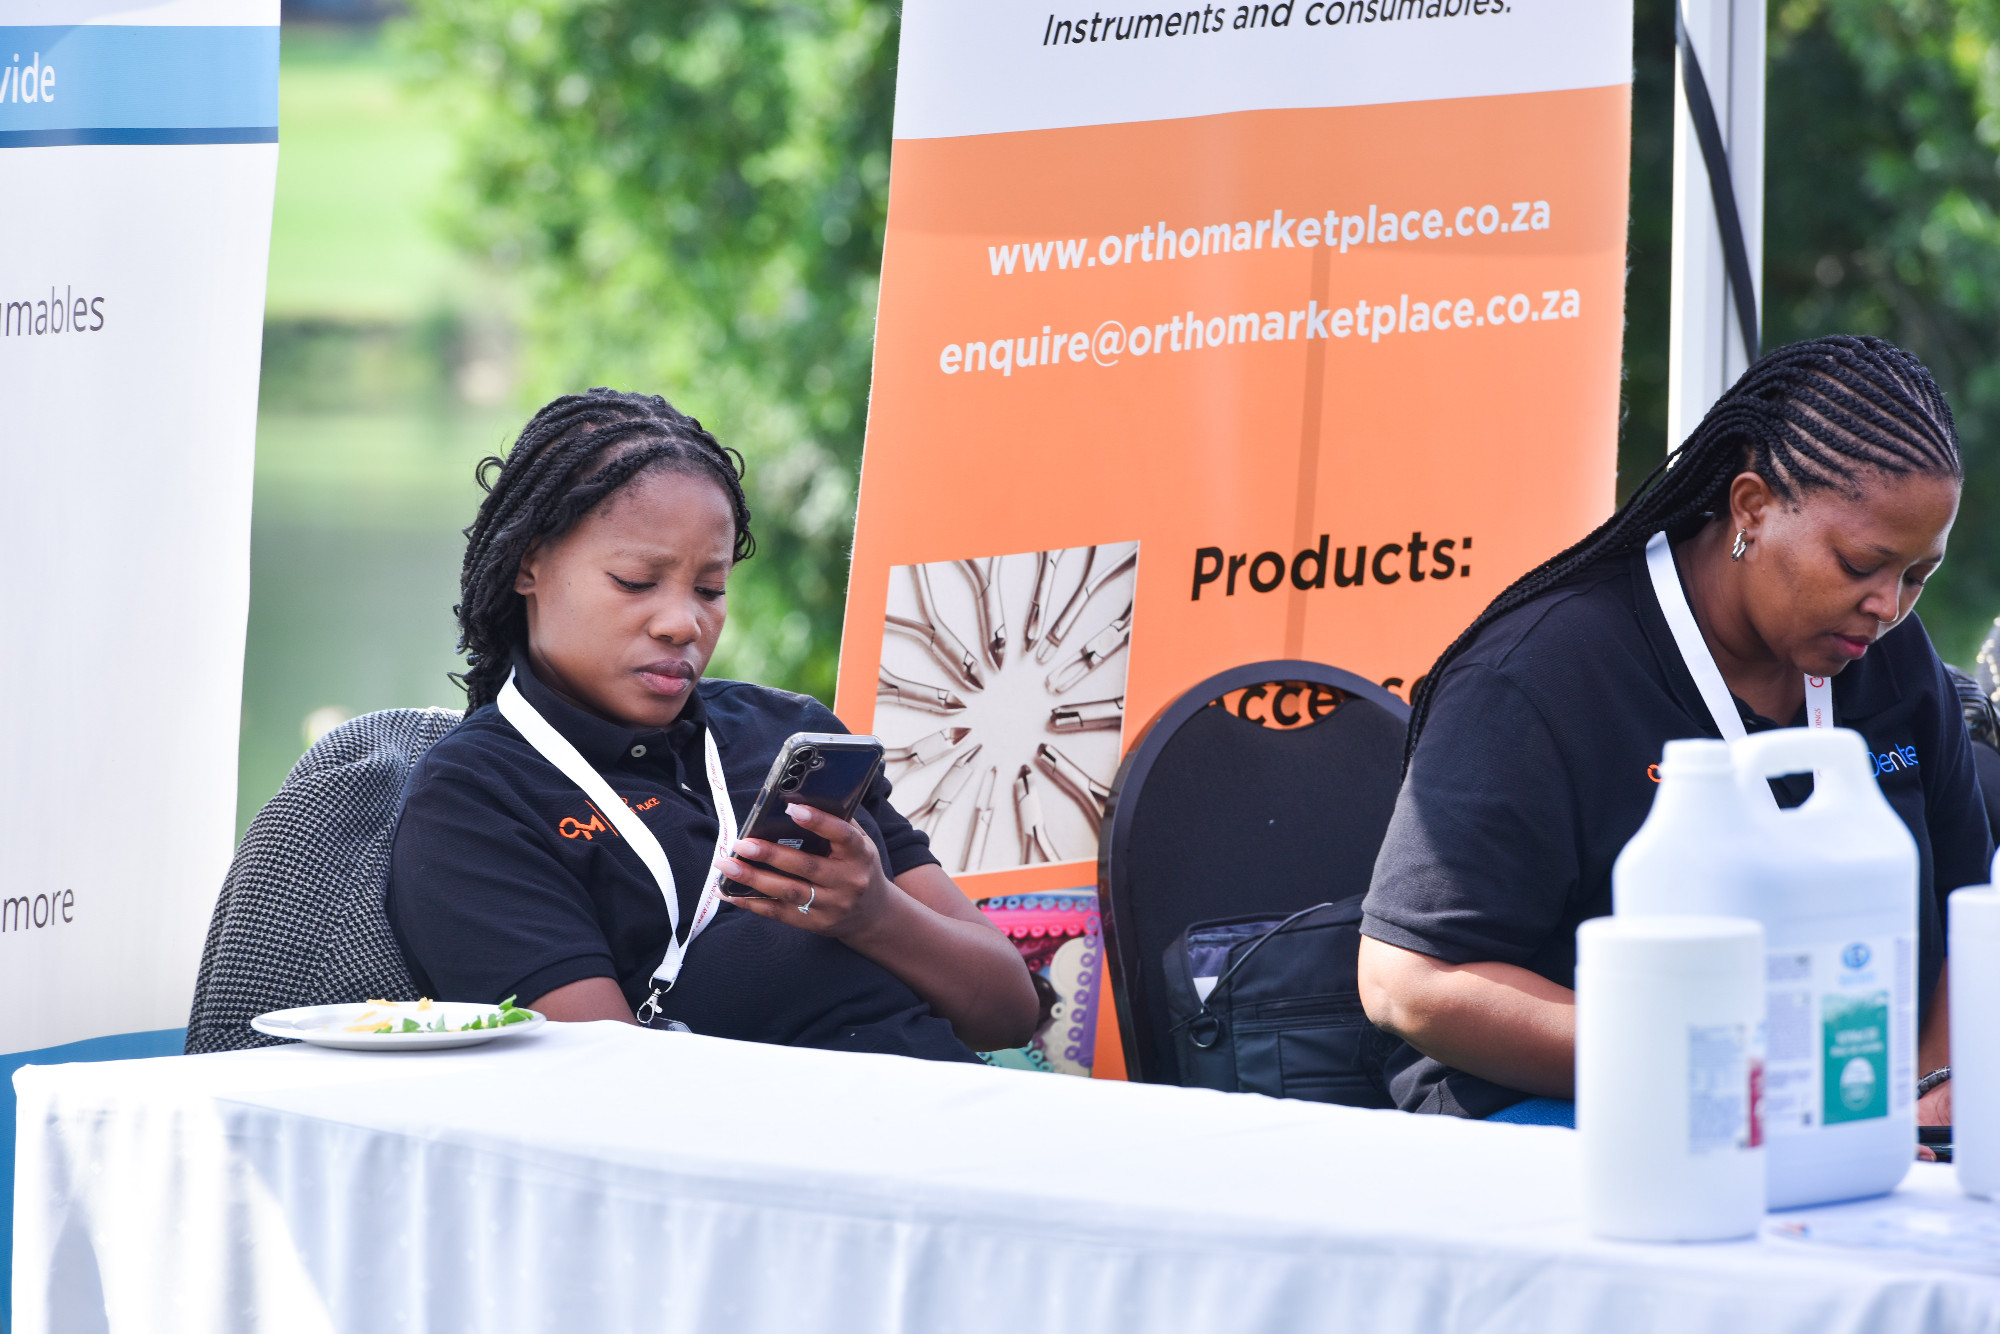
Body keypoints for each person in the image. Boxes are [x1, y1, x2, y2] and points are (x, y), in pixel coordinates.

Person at [1357, 335, 1992, 1126]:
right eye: (1861, 565)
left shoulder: (1894, 661)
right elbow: (1406, 982)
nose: (1888, 606)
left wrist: (1932, 1094)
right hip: (1569, 1112)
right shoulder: (1543, 675)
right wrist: (1726, 1069)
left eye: (1918, 576)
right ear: (1752, 507)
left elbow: (1968, 911)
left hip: (1844, 1107)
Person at [386, 388, 1039, 1060]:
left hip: (963, 1100)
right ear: (529, 564)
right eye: (636, 581)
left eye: (710, 589)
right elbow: (606, 1086)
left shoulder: (788, 731)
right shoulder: (475, 797)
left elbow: (1011, 1013)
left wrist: (875, 915)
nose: (683, 623)